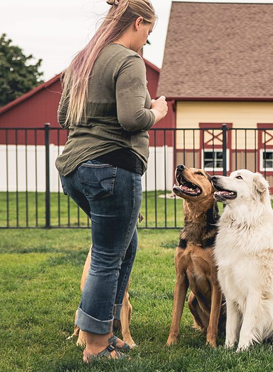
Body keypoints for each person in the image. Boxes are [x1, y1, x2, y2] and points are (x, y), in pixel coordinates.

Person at [56, 0, 167, 362]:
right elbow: (133, 118)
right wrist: (158, 111)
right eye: (148, 33)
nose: (146, 43)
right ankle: (96, 345)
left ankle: (99, 328)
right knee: (107, 256)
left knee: (124, 245)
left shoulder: (83, 59)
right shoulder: (127, 60)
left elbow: (62, 116)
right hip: (112, 168)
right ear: (138, 23)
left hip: (75, 168)